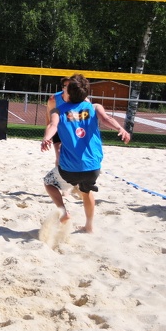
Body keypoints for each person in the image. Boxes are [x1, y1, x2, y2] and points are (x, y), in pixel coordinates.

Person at [41, 74, 131, 233]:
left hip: (69, 169)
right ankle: (89, 226)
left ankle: (63, 211)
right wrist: (120, 128)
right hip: (93, 167)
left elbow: (53, 126)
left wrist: (46, 138)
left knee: (49, 182)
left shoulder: (57, 110)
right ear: (86, 94)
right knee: (86, 191)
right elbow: (106, 119)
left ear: (67, 92)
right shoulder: (95, 107)